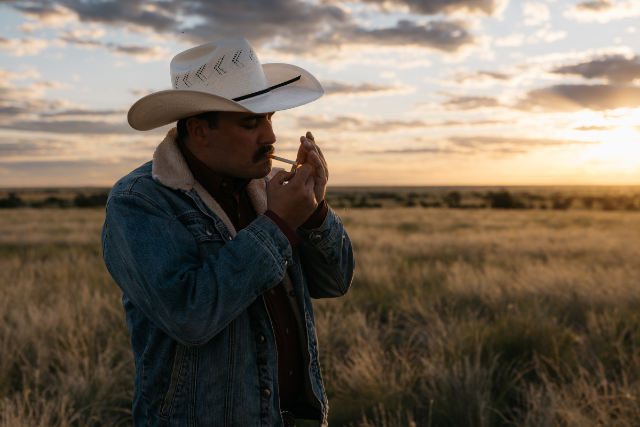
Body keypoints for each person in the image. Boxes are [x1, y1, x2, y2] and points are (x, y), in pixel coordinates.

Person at [101, 37, 355, 427]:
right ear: (200, 130)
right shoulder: (139, 201)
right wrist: (277, 225)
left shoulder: (269, 189)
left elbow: (335, 283)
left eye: (269, 118)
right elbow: (188, 316)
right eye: (251, 122)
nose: (270, 137)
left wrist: (315, 210)